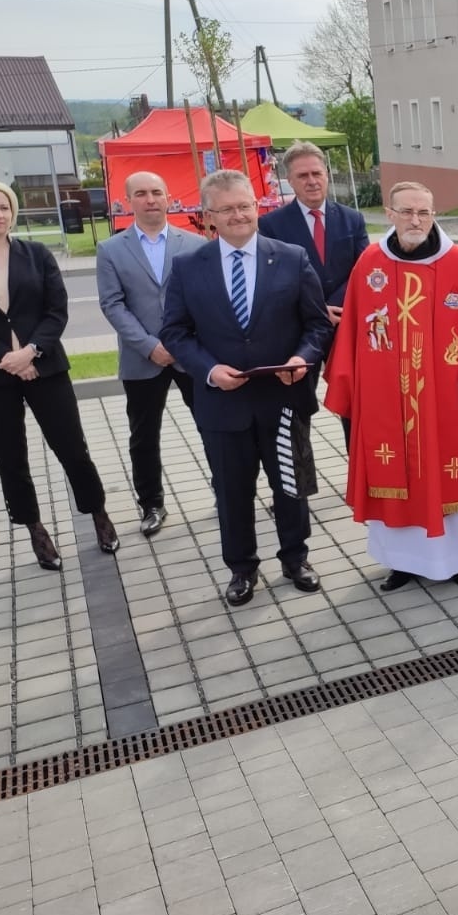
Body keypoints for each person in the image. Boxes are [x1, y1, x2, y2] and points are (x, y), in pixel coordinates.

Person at [160, 169, 333, 607]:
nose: (238, 215)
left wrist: (303, 358)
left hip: (283, 397)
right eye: (227, 209)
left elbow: (316, 324)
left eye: (245, 206)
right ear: (208, 216)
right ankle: (241, 567)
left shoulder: (291, 257)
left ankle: (296, 558)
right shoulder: (187, 267)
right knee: (231, 490)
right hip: (223, 402)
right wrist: (209, 370)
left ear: (257, 207)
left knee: (290, 485)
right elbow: (176, 333)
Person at [325, 182, 458, 592]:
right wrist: (348, 388)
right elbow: (353, 329)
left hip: (448, 401)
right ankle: (403, 561)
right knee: (396, 473)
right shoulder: (370, 264)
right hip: (386, 403)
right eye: (407, 212)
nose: (416, 221)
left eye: (424, 213)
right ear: (389, 214)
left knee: (455, 473)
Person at [0, 180, 120, 568]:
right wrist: (7, 358)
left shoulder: (36, 254)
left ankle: (98, 513)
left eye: (5, 207)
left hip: (45, 367)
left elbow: (57, 311)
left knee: (72, 447)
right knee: (10, 456)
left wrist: (31, 351)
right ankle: (34, 528)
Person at [96, 170, 207, 536]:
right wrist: (148, 345)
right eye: (141, 193)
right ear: (129, 201)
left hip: (190, 355)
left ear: (168, 197)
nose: (150, 199)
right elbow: (112, 305)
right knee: (144, 437)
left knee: (214, 426)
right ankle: (152, 504)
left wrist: (180, 344)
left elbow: (207, 300)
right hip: (142, 359)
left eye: (157, 192)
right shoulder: (111, 250)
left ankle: (228, 491)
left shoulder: (194, 244)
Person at [257, 141, 369, 325]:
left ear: (326, 174)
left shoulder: (352, 219)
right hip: (301, 323)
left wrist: (336, 306)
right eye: (302, 176)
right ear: (290, 180)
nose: (312, 181)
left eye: (316, 173)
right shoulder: (271, 225)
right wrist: (318, 310)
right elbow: (273, 280)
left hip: (346, 317)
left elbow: (364, 269)